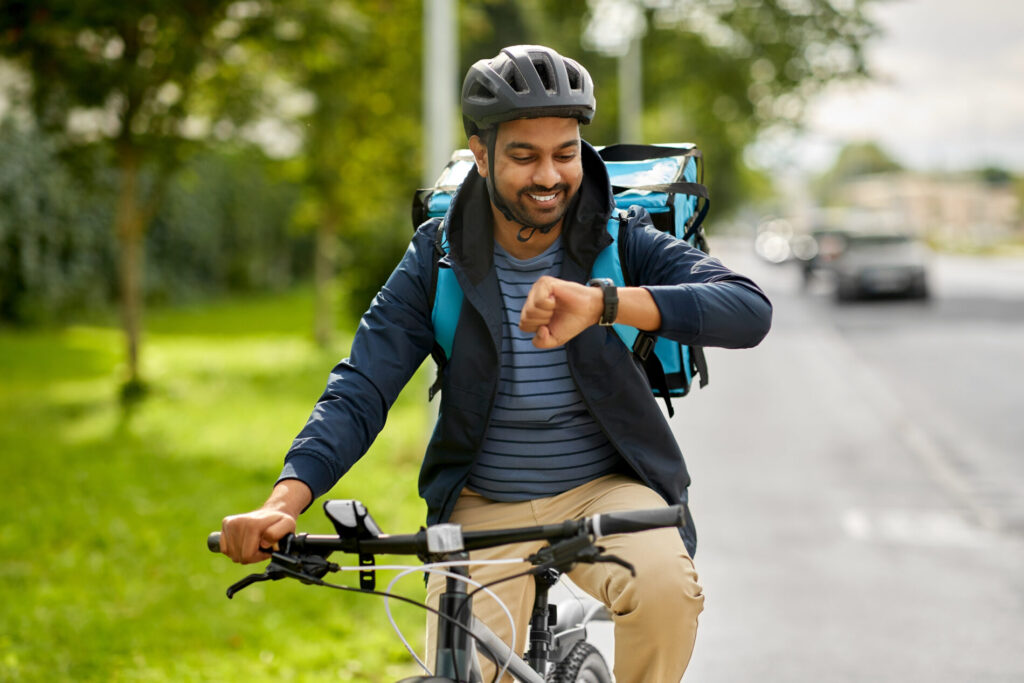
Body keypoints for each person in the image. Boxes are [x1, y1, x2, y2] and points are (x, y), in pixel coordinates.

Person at [220, 44, 772, 681]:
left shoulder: (620, 236)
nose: (550, 175)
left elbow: (747, 310)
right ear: (480, 156)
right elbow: (362, 386)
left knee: (667, 592)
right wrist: (285, 500)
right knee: (462, 671)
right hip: (482, 502)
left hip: (605, 489)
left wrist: (605, 303)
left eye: (565, 153)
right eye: (523, 155)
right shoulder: (436, 257)